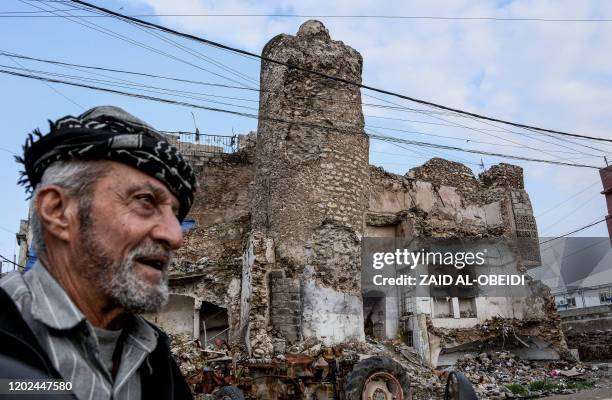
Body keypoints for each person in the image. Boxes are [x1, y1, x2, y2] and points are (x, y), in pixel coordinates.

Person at [0, 106, 198, 400]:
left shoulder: (157, 363)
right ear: (58, 211)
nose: (174, 236)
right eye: (145, 201)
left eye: (176, 214)